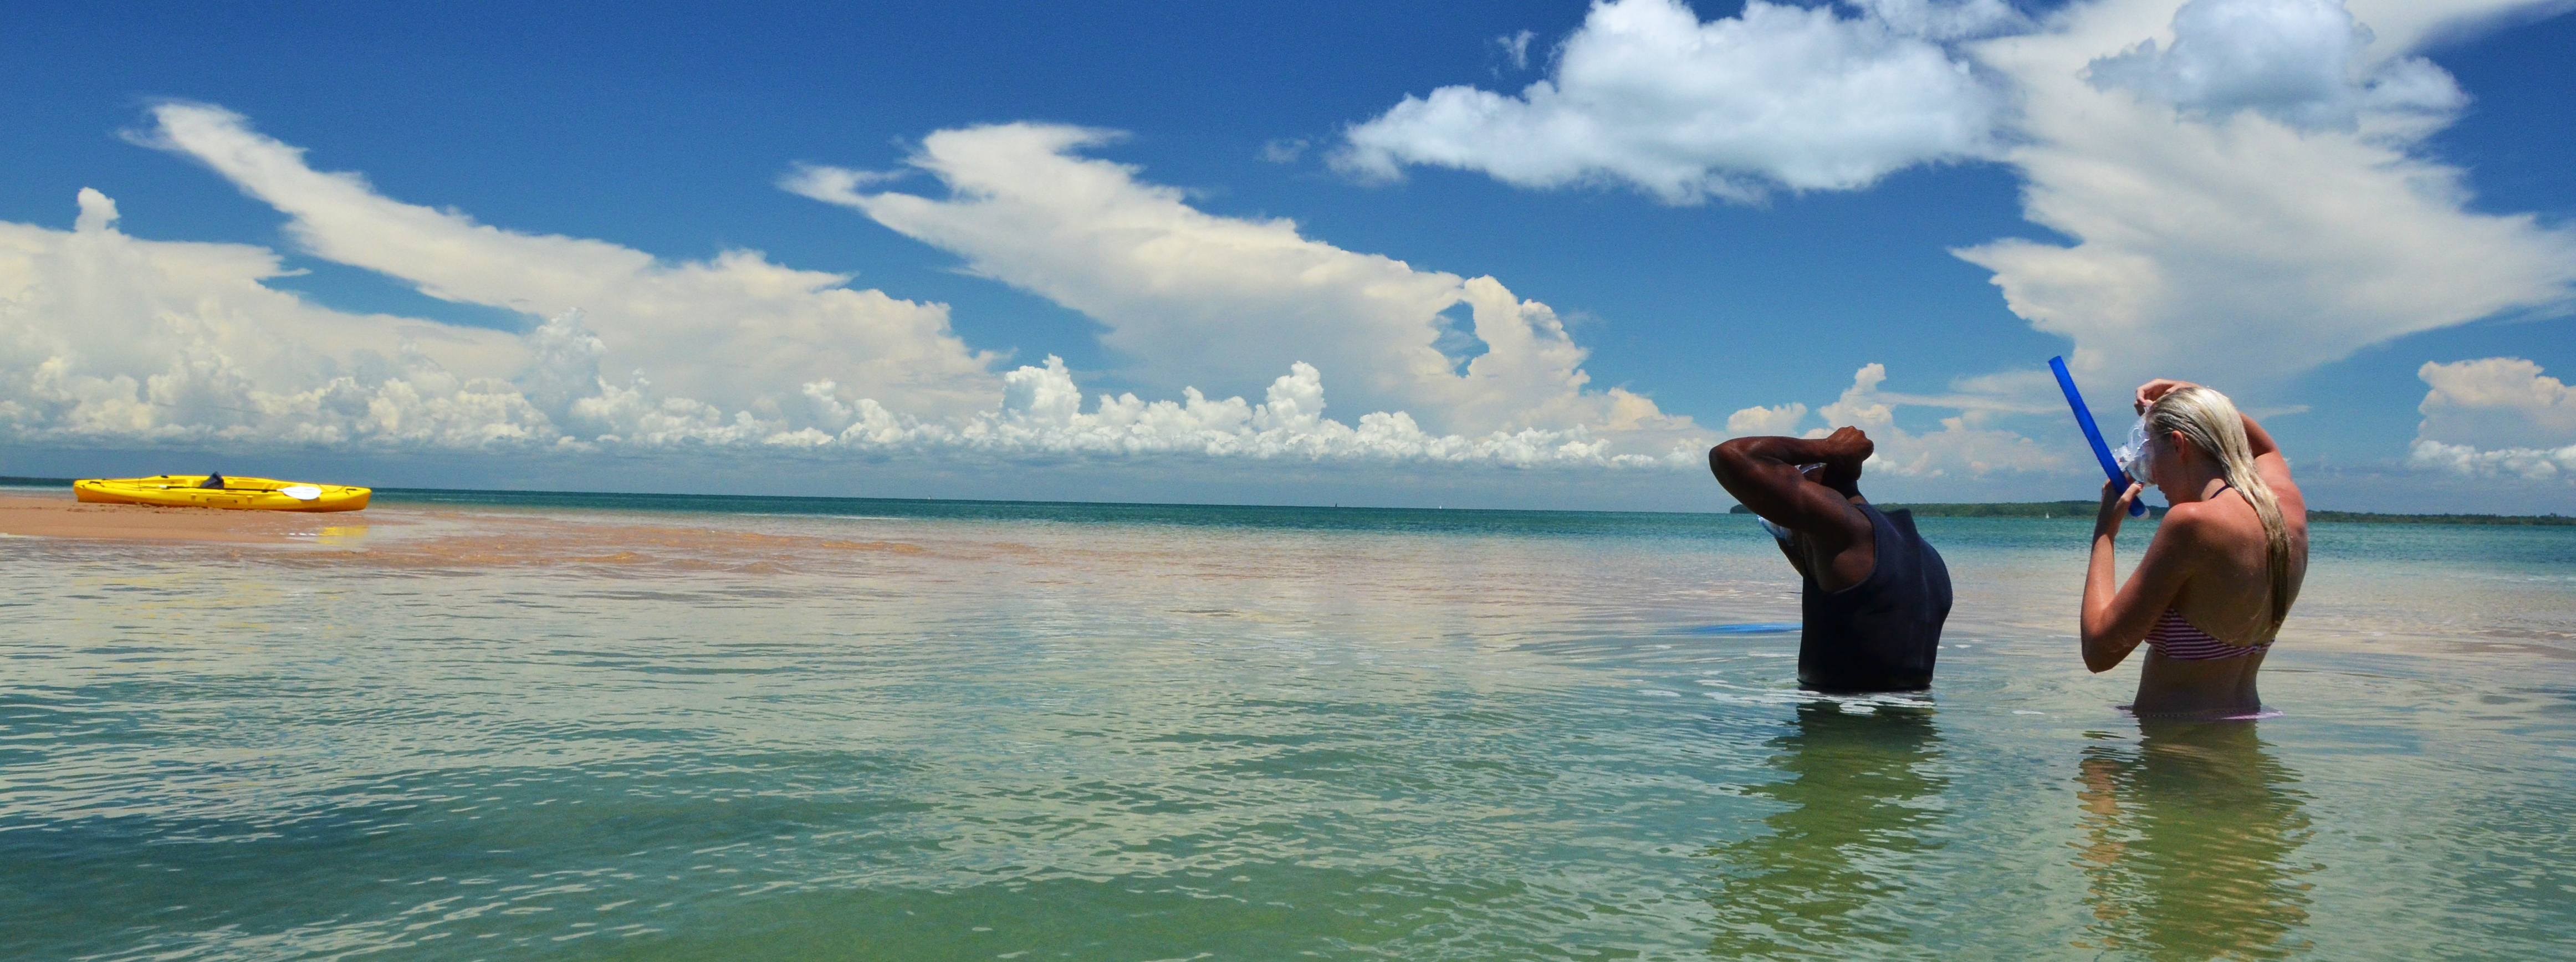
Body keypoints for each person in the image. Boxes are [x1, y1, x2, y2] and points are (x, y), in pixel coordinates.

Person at [2081, 380, 2308, 718]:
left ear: (2178, 445)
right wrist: (2193, 393)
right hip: (2243, 728)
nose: (2153, 478)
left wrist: (2105, 532)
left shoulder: (2191, 524)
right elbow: (2265, 451)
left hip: (2177, 748)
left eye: (2151, 457)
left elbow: (2099, 652)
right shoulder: (2286, 507)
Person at [1709, 427, 1953, 693]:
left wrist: (1829, 448)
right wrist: (1787, 536)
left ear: (1819, 489)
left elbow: (1729, 456)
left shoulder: (1848, 530)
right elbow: (1841, 594)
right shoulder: (1926, 557)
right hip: (1910, 725)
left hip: (1840, 727)